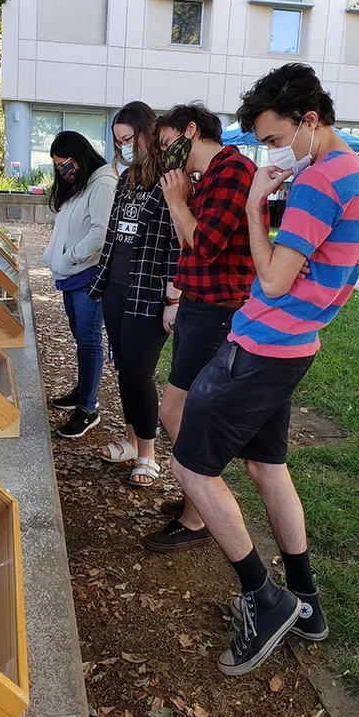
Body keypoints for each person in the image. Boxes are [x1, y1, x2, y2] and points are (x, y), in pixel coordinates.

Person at [169, 63, 359, 676]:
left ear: (309, 120)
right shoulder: (352, 171)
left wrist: (257, 206)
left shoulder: (319, 180)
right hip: (295, 343)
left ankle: (265, 597)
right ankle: (306, 600)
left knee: (189, 465)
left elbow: (274, 277)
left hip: (261, 344)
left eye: (276, 138)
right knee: (266, 465)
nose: (271, 151)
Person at [141, 103, 261, 552]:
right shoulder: (205, 177)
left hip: (218, 309)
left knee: (177, 411)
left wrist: (177, 201)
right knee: (184, 408)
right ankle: (196, 499)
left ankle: (198, 516)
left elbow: (206, 246)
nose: (165, 155)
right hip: (197, 304)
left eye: (167, 143)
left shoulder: (233, 170)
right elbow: (187, 243)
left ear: (191, 130)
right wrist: (183, 199)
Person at [89, 102, 181, 487]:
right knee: (124, 370)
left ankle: (148, 454)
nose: (125, 146)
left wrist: (174, 299)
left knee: (139, 373)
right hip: (116, 288)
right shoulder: (127, 179)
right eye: (119, 141)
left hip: (150, 292)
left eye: (130, 138)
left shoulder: (172, 179)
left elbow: (178, 244)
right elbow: (114, 234)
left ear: (148, 133)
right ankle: (131, 441)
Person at [44, 131, 117, 438]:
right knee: (81, 338)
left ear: (80, 157)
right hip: (71, 275)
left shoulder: (102, 183)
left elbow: (100, 233)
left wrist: (70, 257)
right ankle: (83, 390)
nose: (62, 172)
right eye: (58, 166)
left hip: (88, 276)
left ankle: (88, 408)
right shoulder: (82, 182)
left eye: (65, 165)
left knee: (88, 341)